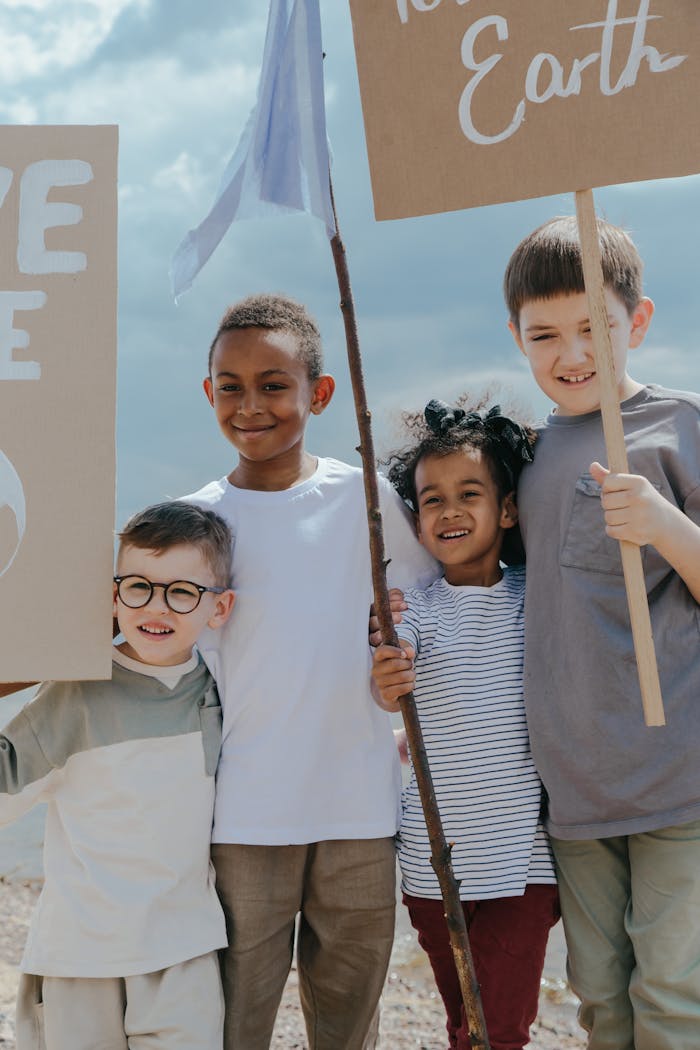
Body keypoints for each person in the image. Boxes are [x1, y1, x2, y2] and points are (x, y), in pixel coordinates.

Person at [183, 293, 437, 1050]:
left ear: (319, 394)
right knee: (233, 1025)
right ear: (209, 394)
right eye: (230, 385)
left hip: (360, 813)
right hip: (241, 820)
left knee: (348, 1027)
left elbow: (426, 604)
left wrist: (404, 652)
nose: (250, 404)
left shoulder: (368, 502)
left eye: (273, 384)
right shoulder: (193, 521)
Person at [503, 215, 700, 1050]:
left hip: (678, 772)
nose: (570, 351)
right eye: (543, 334)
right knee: (600, 999)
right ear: (516, 338)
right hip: (573, 785)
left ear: (639, 322)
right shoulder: (528, 455)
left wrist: (663, 523)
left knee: (673, 995)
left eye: (595, 328)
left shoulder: (680, 426)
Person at [0, 500, 235, 1050]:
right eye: (138, 586)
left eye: (182, 591)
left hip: (184, 953)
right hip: (78, 954)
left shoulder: (224, 689)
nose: (157, 606)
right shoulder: (74, 695)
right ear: (112, 595)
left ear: (219, 609)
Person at [371, 397, 559, 1050]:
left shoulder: (534, 597)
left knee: (497, 1029)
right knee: (465, 1025)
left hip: (524, 868)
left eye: (469, 493)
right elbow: (392, 680)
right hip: (432, 870)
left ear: (507, 510)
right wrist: (390, 675)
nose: (449, 510)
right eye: (432, 499)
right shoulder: (412, 607)